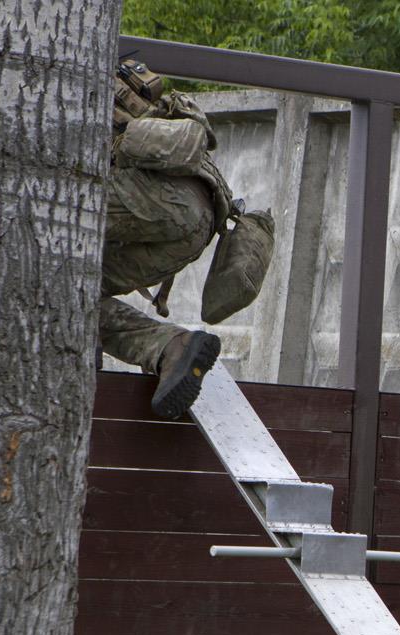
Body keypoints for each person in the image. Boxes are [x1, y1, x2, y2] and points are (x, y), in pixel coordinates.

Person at [103, 58, 275, 418]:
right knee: (70, 292)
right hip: (202, 221)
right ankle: (171, 347)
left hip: (149, 194)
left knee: (49, 285)